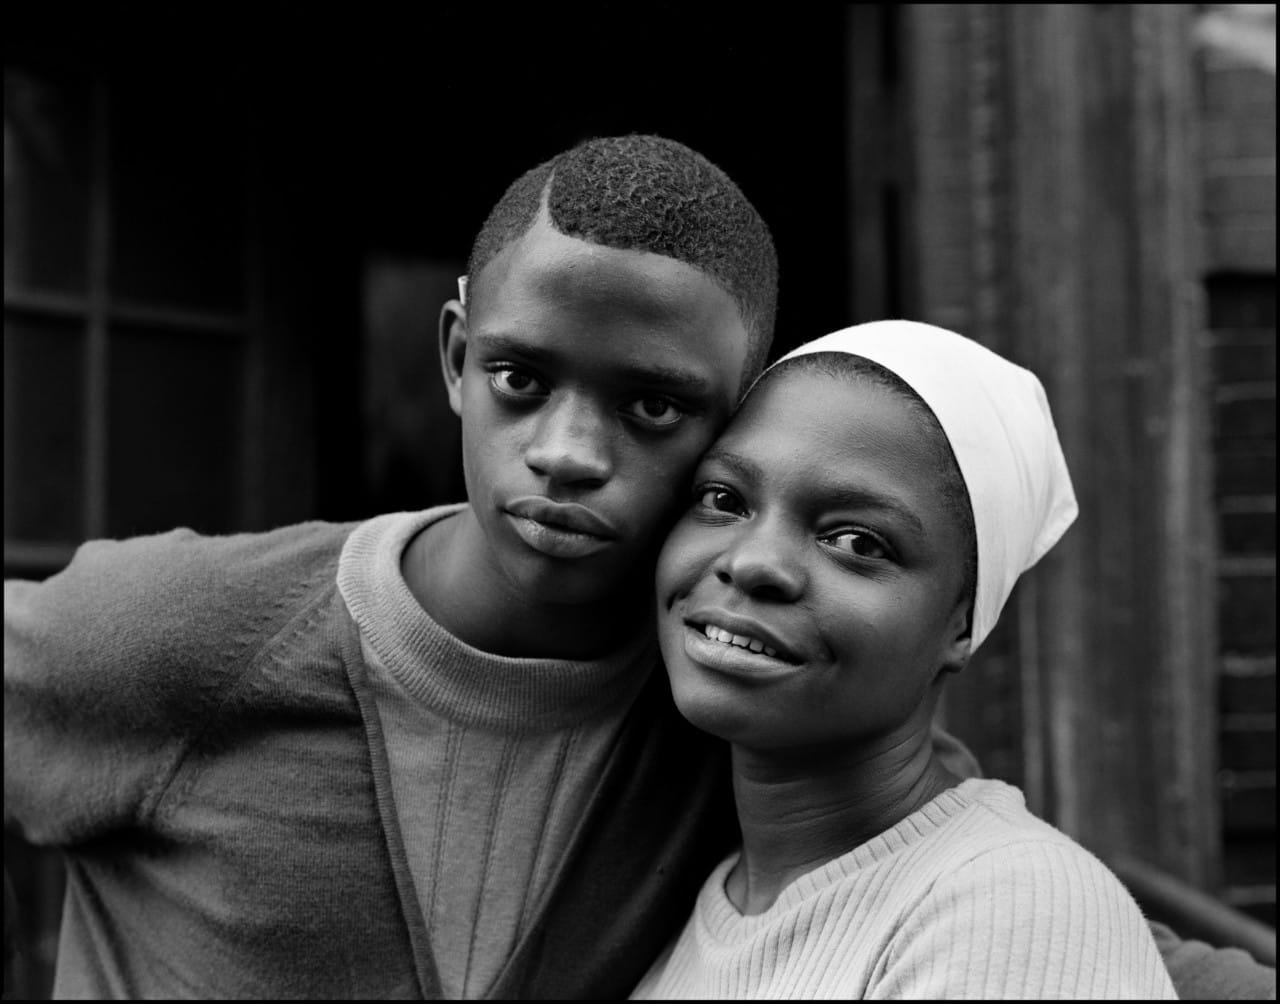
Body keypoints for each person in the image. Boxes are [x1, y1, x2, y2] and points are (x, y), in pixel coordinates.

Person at [3, 134, 1270, 1000]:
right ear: (454, 354)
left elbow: (1056, 927)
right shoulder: (173, 631)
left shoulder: (728, 708)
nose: (566, 452)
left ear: (728, 426)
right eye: (521, 377)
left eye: (654, 408)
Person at [631, 320, 1179, 999]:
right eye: (724, 500)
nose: (751, 564)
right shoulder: (693, 903)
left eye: (858, 542)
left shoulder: (1008, 910)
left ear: (962, 623)